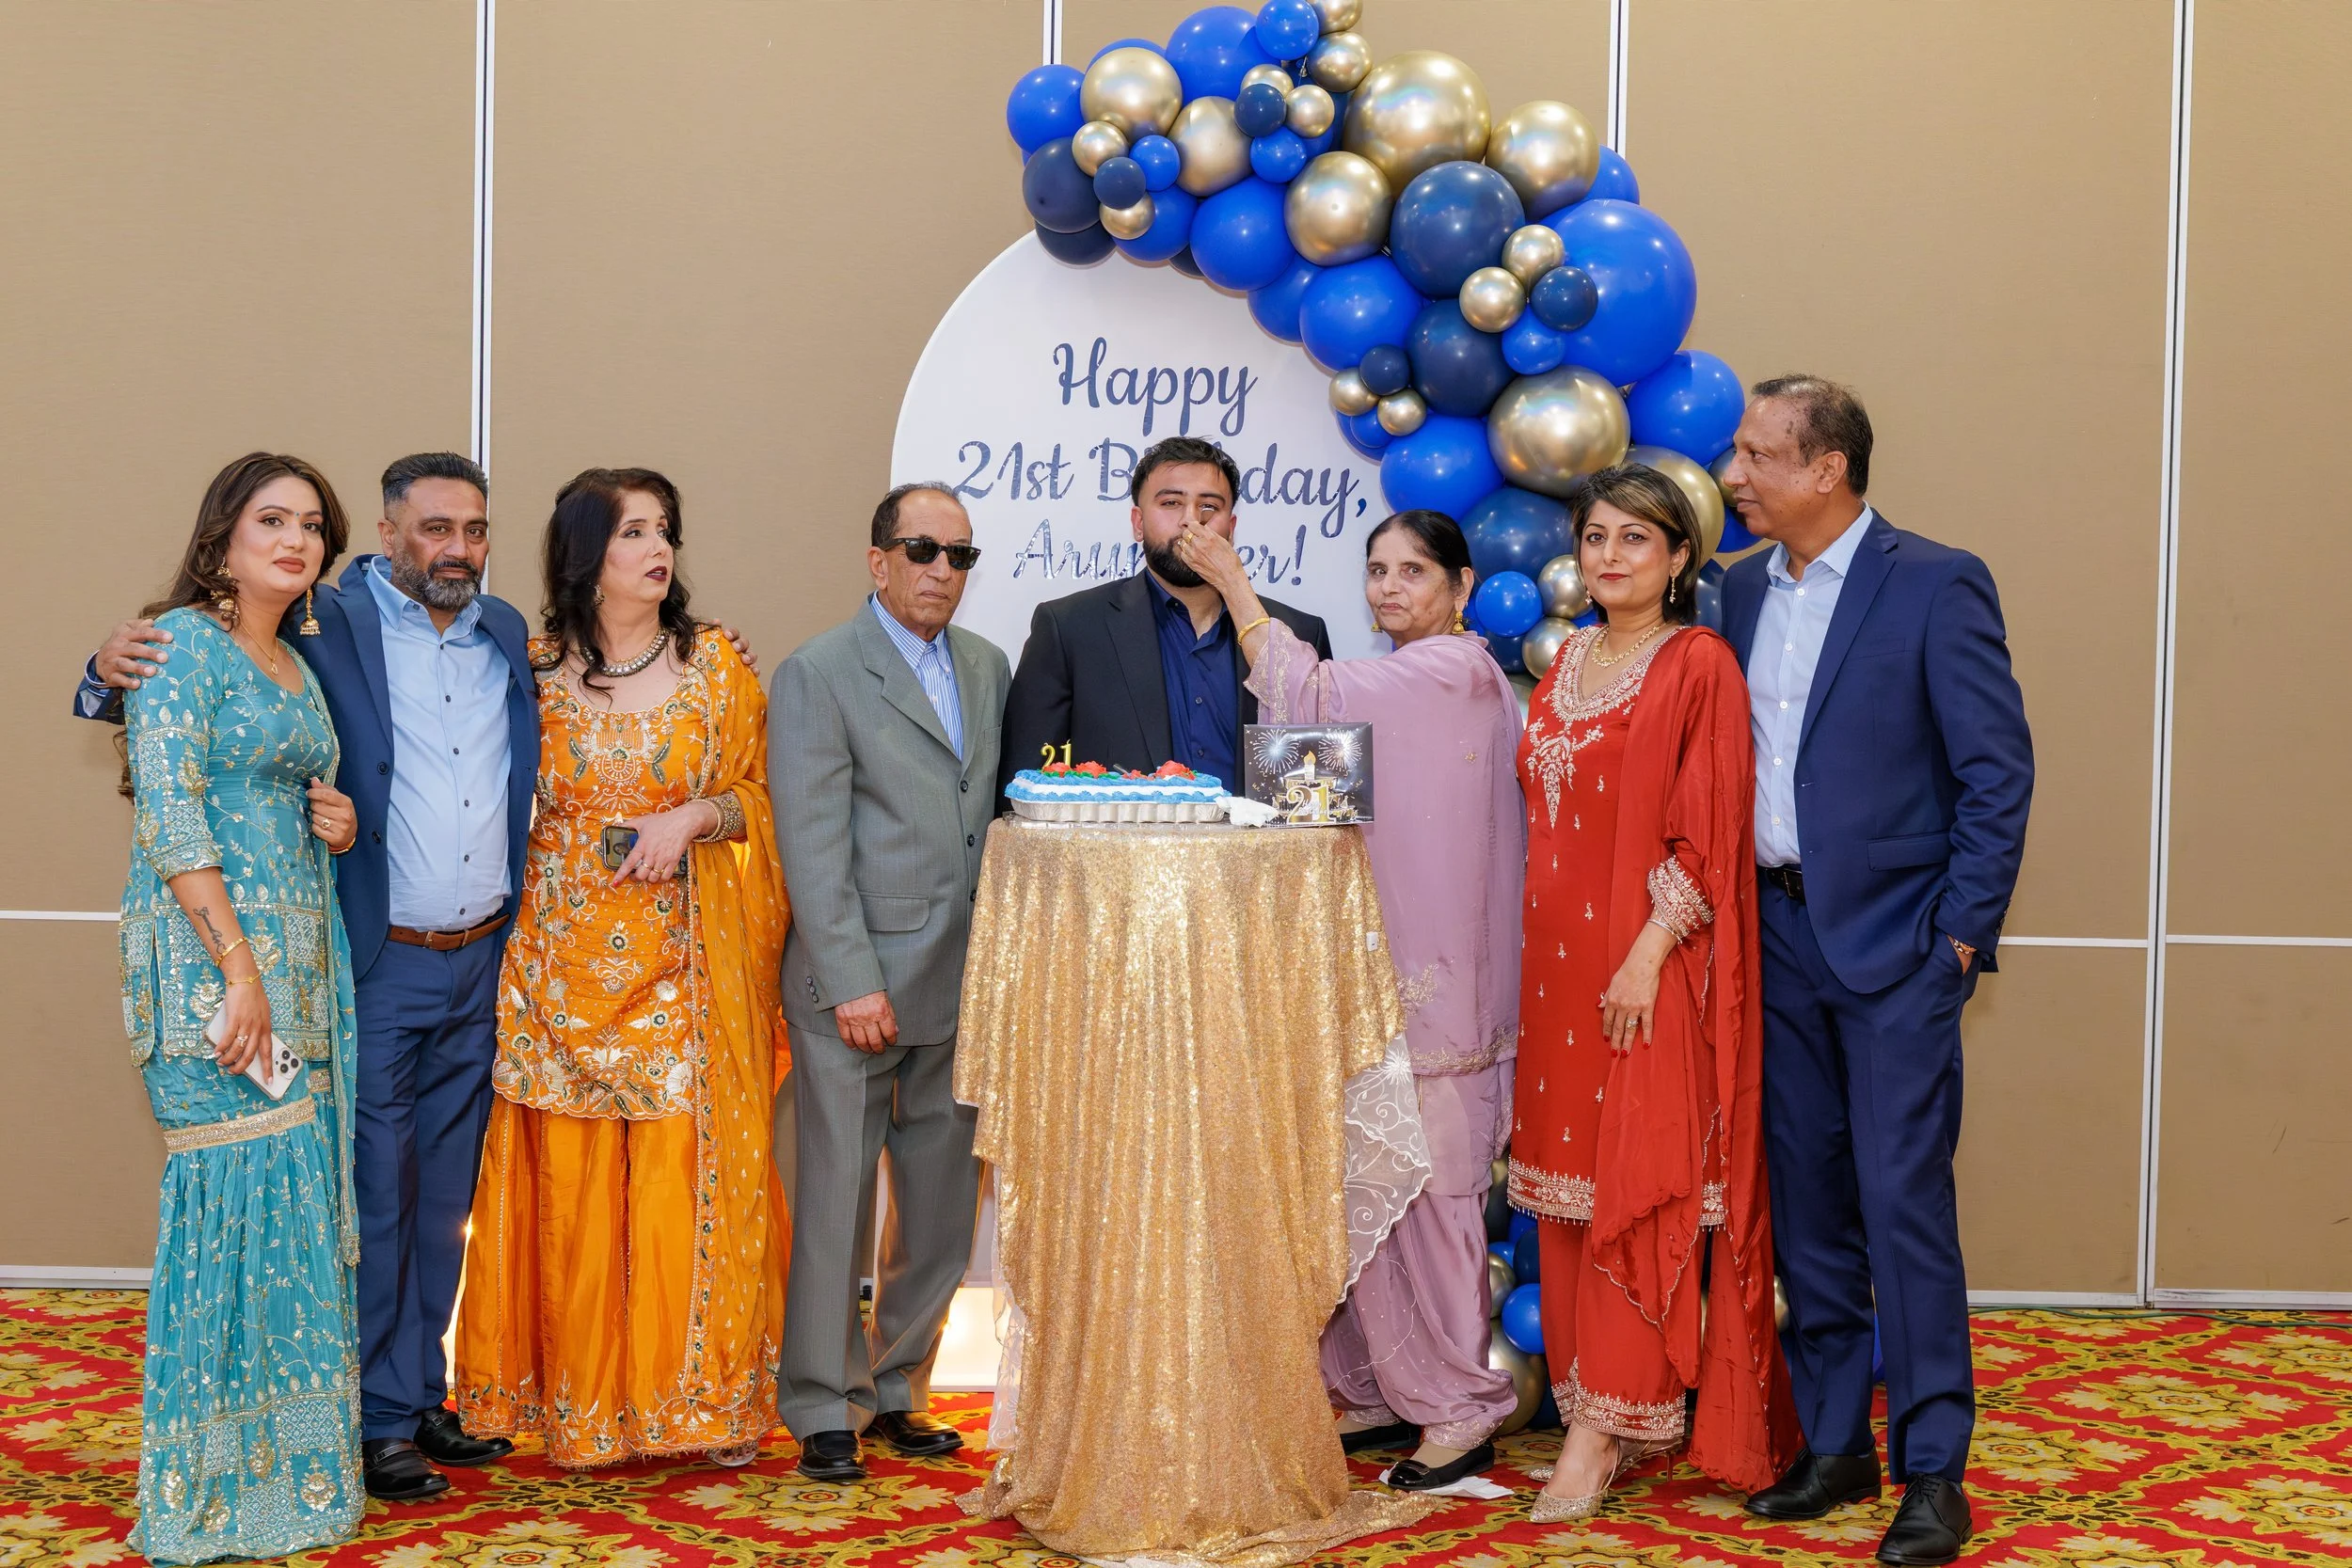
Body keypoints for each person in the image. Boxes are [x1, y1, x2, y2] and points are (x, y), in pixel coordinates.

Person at [83, 452, 540, 1503]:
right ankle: (373, 1417)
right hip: (367, 957)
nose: (455, 548)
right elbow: (168, 698)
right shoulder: (321, 619)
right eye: (432, 527)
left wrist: (328, 814)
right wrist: (102, 664)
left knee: (441, 1201)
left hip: (474, 955)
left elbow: (294, 759)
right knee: (370, 1190)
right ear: (386, 534)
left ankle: (418, 1388)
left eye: (472, 529)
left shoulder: (506, 631)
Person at [1720, 378, 2031, 1567]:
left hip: (1898, 947)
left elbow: (1996, 772)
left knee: (1903, 1205)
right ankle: (1837, 1435)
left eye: (1755, 456)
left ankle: (1934, 1470)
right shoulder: (1740, 589)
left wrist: (1957, 935)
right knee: (1806, 1200)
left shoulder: (1935, 580)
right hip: (1776, 939)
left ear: (1827, 470)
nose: (1735, 476)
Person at [1169, 509, 1527, 1492]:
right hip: (1375, 979)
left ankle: (1458, 1412)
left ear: (1460, 589)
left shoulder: (1452, 669)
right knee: (1368, 1181)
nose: (1387, 588)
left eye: (1412, 571)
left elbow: (1304, 691)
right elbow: (1314, 797)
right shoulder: (1406, 684)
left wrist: (1233, 584)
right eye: (1375, 570)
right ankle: (1379, 1383)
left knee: (1438, 1196)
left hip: (1442, 988)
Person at [453, 467, 789, 1468]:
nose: (658, 548)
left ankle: (693, 1405)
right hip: (557, 975)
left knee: (682, 1187)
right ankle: (576, 1404)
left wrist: (694, 814)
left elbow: (757, 797)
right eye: (633, 530)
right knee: (571, 1191)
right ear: (584, 552)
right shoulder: (527, 664)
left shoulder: (718, 666)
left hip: (683, 972)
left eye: (666, 529)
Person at [1510, 465, 1799, 1522]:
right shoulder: (1570, 657)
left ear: (1680, 558)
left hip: (1647, 967)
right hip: (1557, 973)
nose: (1610, 557)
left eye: (1636, 539)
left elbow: (1708, 829)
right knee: (1571, 1194)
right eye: (1595, 536)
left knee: (1635, 1186)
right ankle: (1605, 1405)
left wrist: (1642, 954)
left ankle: (1595, 1433)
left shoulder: (1697, 665)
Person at [115, 452, 366, 1561]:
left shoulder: (295, 664)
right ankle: (207, 1491)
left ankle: (289, 1477)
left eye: (312, 524)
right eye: (272, 518)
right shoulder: (180, 649)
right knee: (230, 1218)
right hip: (211, 978)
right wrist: (240, 972)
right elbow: (170, 817)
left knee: (288, 1219)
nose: (295, 539)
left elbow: (279, 787)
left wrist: (335, 818)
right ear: (223, 535)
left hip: (297, 967)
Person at [771, 482, 1008, 1482]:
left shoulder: (988, 666)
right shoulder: (818, 672)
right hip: (853, 989)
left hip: (960, 981)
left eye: (959, 555)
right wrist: (852, 978)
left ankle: (900, 1383)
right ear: (877, 560)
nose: (940, 571)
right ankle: (826, 1401)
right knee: (833, 1201)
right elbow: (811, 845)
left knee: (943, 1200)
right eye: (921, 550)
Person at [998, 436, 1331, 797]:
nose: (1191, 521)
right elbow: (1024, 788)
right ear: (1138, 523)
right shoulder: (1069, 627)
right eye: (1171, 503)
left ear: (1231, 528)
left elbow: (1323, 786)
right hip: (1118, 853)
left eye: (1209, 507)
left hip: (1264, 852)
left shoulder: (1298, 635)